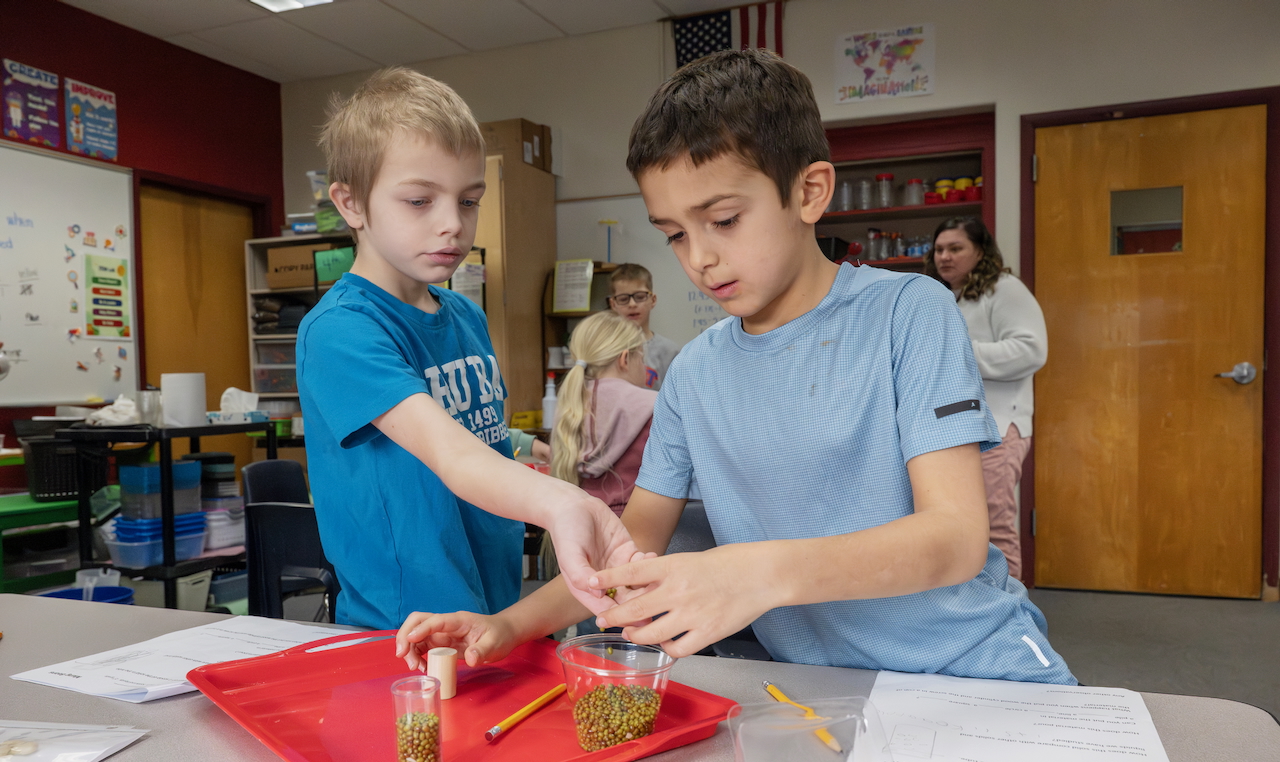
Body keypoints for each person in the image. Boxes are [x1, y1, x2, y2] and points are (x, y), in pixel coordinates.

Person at [396, 50, 1074, 686]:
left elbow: (955, 539)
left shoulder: (909, 312)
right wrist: (510, 625)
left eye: (723, 219)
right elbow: (631, 544)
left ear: (809, 192)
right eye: (675, 235)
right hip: (819, 690)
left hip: (972, 668)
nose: (699, 260)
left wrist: (756, 572)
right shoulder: (694, 374)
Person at [296, 67, 641, 631]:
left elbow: (474, 434)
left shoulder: (466, 315)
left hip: (495, 604)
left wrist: (524, 450)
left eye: (469, 200)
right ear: (351, 204)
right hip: (405, 624)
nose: (452, 225)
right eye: (418, 201)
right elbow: (451, 455)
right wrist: (563, 503)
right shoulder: (340, 331)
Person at [925, 217, 1047, 581]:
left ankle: (1012, 621)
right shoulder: (946, 296)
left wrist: (957, 352)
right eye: (939, 249)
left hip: (999, 426)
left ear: (981, 251)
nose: (945, 257)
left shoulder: (1004, 289)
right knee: (963, 527)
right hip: (957, 430)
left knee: (995, 528)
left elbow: (1031, 350)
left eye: (956, 248)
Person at [550, 311, 657, 515]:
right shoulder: (655, 406)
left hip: (580, 526)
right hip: (640, 531)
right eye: (641, 359)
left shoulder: (569, 404)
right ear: (625, 359)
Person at [607, 263, 680, 390]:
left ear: (653, 300)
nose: (632, 304)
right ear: (613, 304)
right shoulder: (604, 349)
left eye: (640, 297)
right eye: (623, 299)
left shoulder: (670, 352)